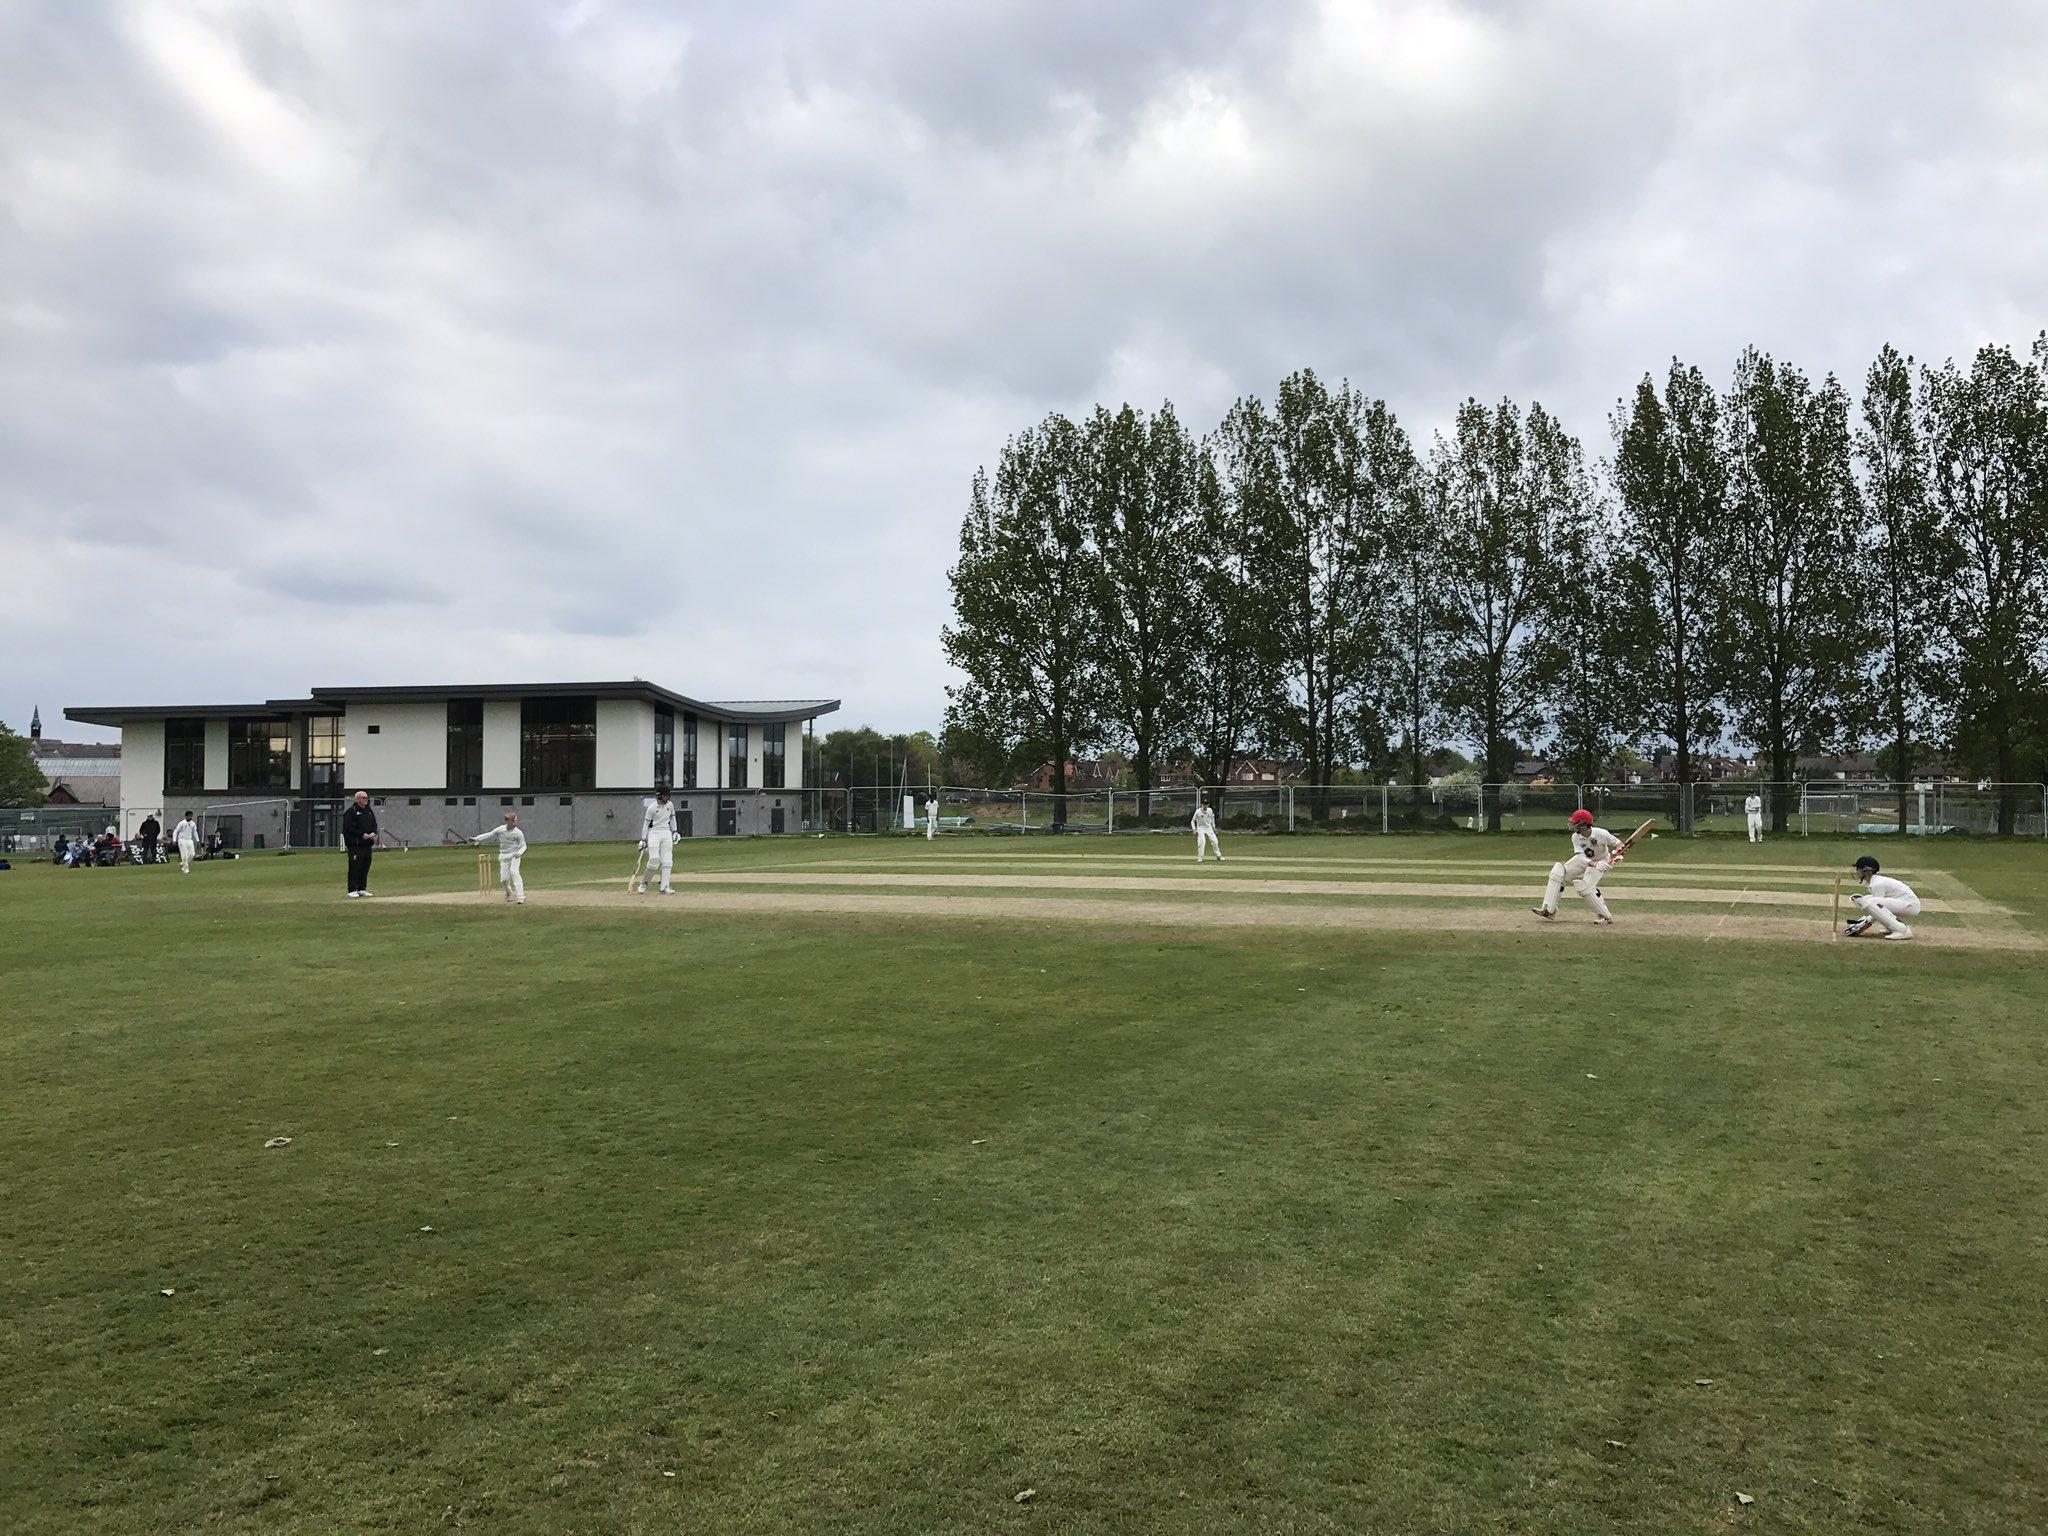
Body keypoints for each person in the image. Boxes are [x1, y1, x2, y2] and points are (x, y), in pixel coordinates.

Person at [1532, 808, 1623, 924]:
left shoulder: (1601, 833)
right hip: (1585, 859)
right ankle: (1549, 910)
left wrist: (1616, 856)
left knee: (1585, 887)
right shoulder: (1575, 837)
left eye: (1576, 822)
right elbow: (1580, 857)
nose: (1573, 824)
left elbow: (1619, 844)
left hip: (1601, 860)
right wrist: (1593, 863)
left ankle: (1605, 916)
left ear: (1584, 824)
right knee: (1558, 872)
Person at [1845, 855, 1919, 940]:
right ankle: (1892, 927)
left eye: (1858, 868)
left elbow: (1877, 907)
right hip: (1905, 903)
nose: (1856, 871)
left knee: (1870, 902)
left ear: (1866, 870)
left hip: (1909, 905)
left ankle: (1902, 930)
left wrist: (1864, 923)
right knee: (1867, 899)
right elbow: (1879, 908)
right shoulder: (1875, 881)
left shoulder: (1877, 884)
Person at [471, 811, 528, 905]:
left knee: (514, 873)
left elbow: (524, 846)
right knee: (504, 879)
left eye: (516, 821)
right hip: (504, 856)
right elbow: (490, 834)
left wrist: (519, 853)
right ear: (508, 822)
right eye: (513, 821)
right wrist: (476, 838)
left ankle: (520, 897)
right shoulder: (501, 829)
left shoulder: (518, 833)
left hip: (515, 855)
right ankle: (509, 893)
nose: (515, 823)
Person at [638, 786, 677, 895]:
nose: (667, 798)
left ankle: (664, 887)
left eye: (668, 795)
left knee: (668, 860)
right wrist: (643, 840)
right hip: (654, 833)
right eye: (665, 795)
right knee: (654, 860)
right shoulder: (652, 807)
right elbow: (646, 824)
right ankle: (644, 883)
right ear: (659, 795)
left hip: (666, 832)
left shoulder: (670, 805)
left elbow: (673, 818)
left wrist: (675, 831)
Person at [341, 790, 378, 898]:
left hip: (367, 844)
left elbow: (374, 824)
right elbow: (349, 828)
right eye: (363, 798)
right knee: (355, 866)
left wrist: (373, 833)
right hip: (356, 844)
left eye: (366, 797)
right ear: (357, 799)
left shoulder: (369, 811)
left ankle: (362, 888)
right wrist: (362, 834)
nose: (366, 800)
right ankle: (352, 889)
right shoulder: (351, 812)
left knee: (365, 865)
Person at [1192, 796, 1223, 862]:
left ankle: (1218, 855)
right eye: (1204, 804)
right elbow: (1193, 820)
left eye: (1206, 804)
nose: (1205, 805)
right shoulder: (1198, 811)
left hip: (1209, 828)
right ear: (1201, 804)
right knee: (1202, 842)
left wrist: (1214, 827)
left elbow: (1212, 818)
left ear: (1208, 805)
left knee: (1215, 841)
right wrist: (1194, 829)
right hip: (1200, 828)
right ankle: (1200, 857)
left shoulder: (1210, 810)